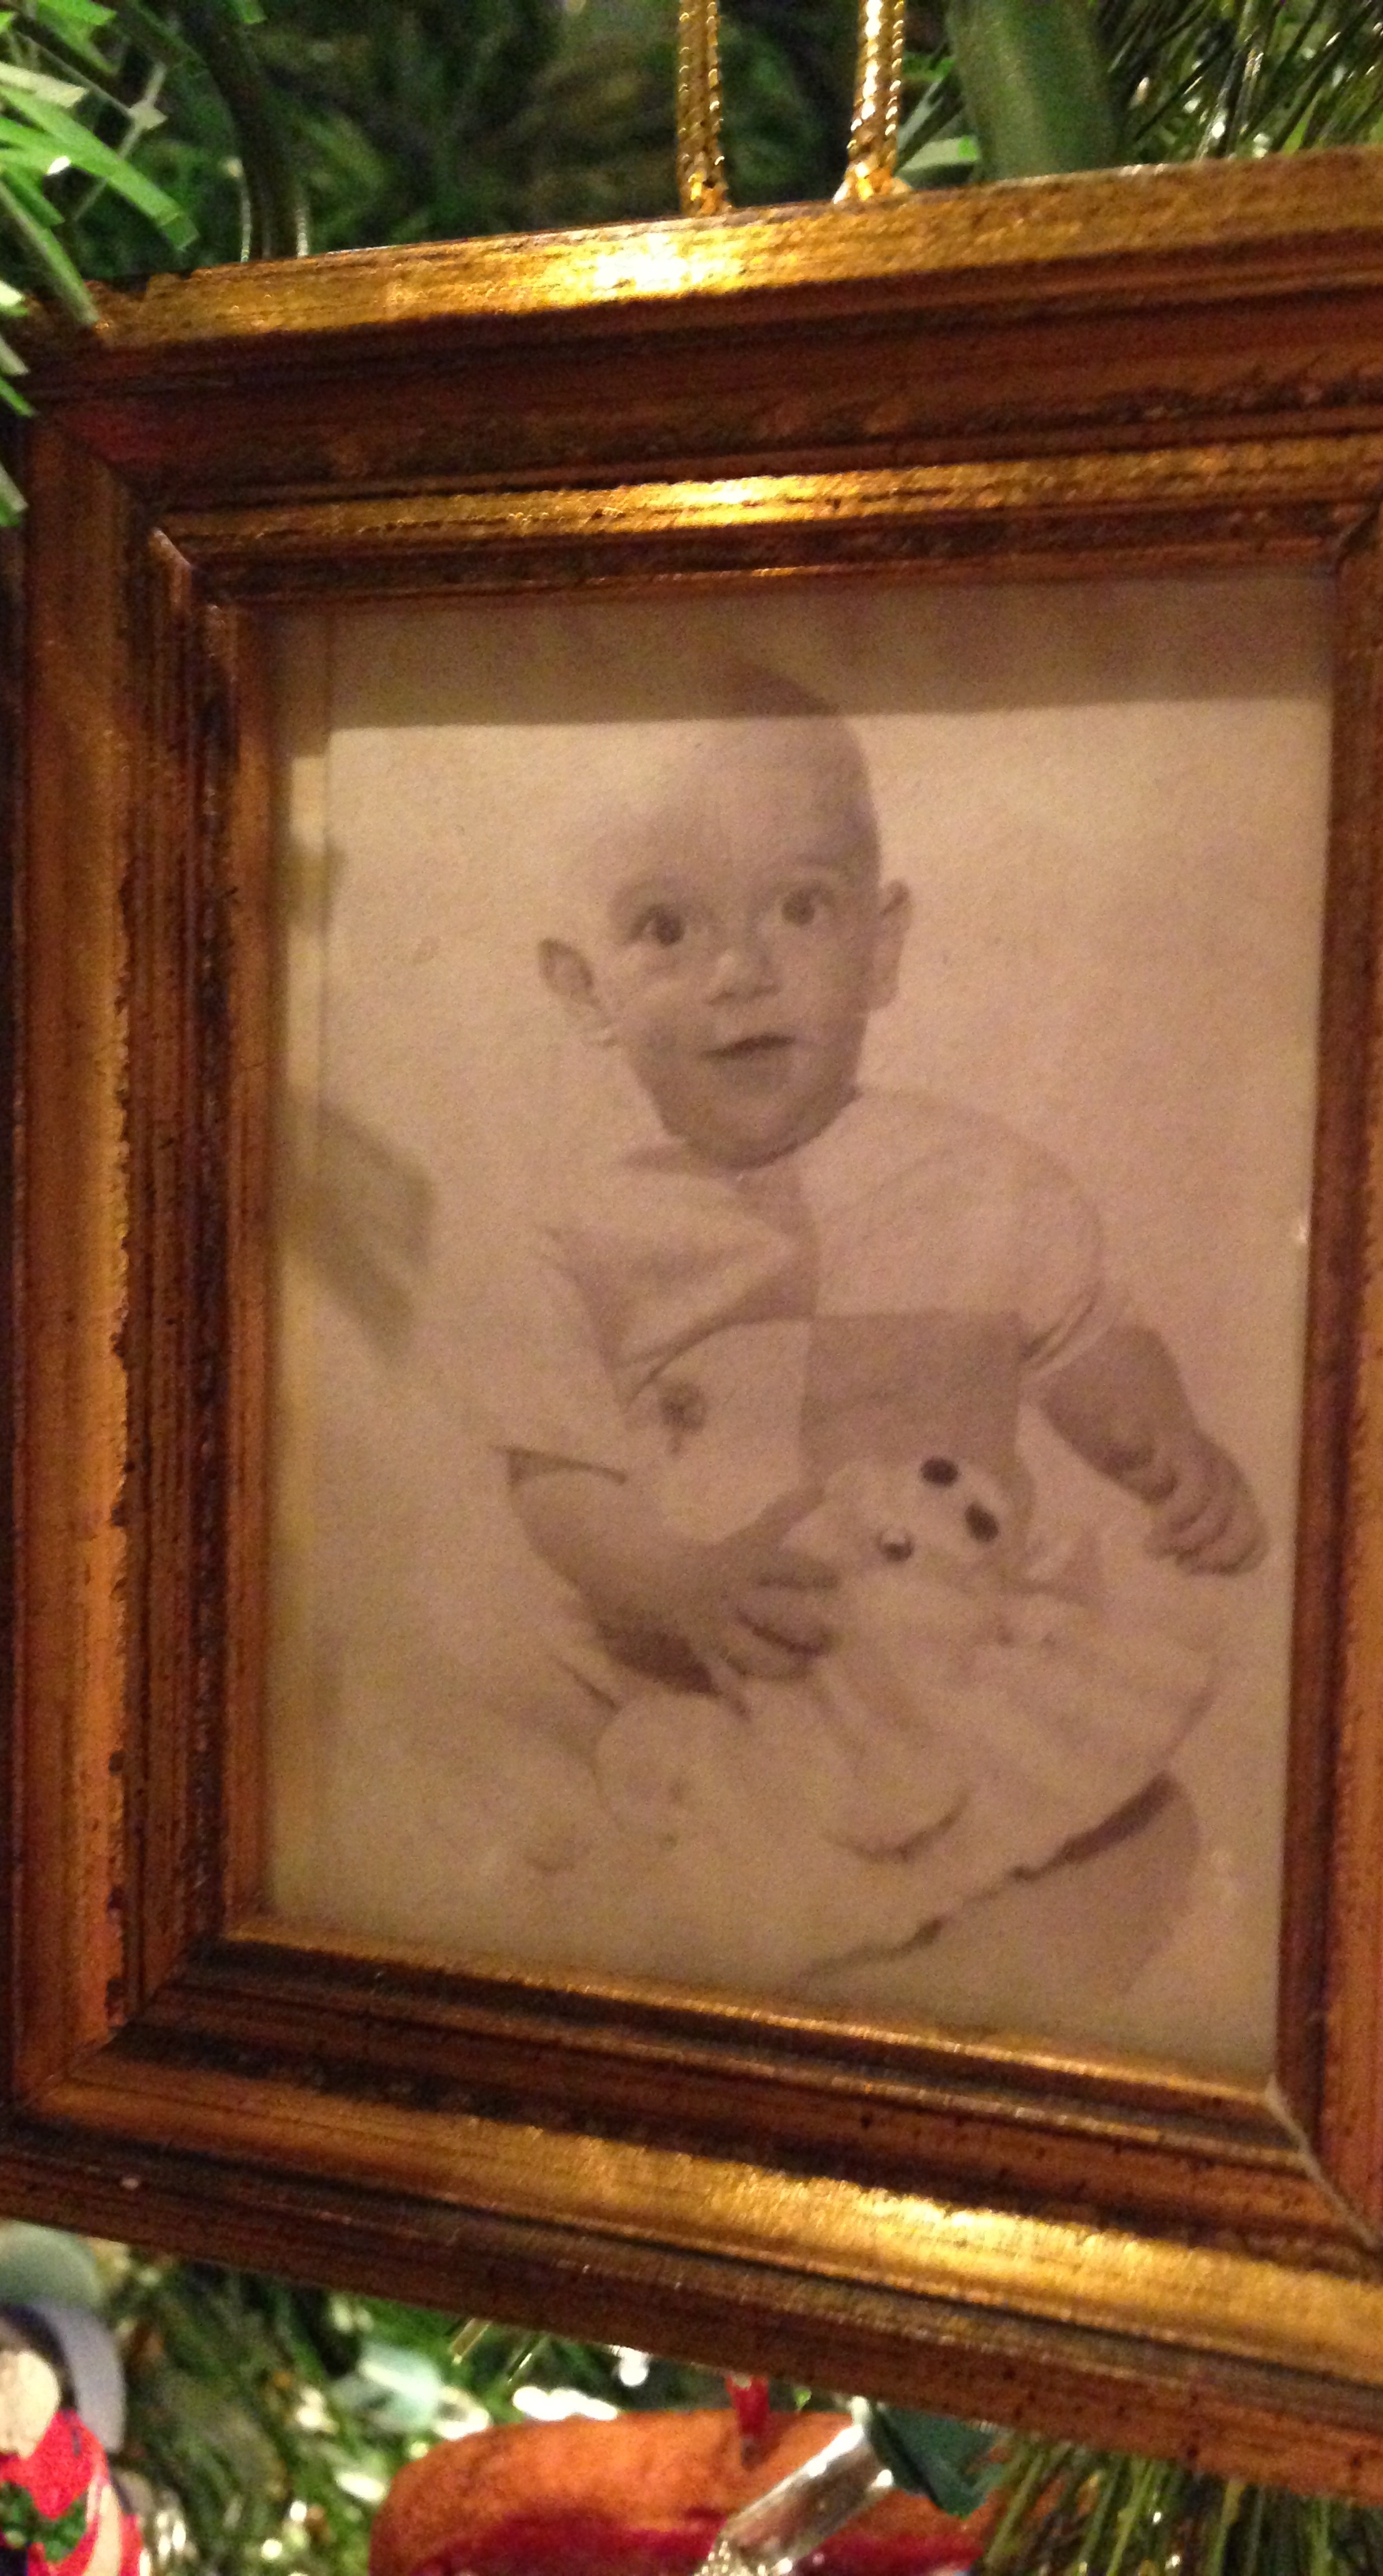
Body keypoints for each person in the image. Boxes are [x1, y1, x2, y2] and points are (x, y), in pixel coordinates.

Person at [462, 675, 1268, 2004]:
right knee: (689, 1896)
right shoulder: (583, 1236)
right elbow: (557, 1480)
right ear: (585, 987)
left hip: (956, 1661)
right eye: (667, 927)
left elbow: (1089, 1339)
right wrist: (676, 1582)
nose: (742, 971)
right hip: (726, 1692)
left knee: (1128, 1840)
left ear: (881, 947)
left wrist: (1163, 1437)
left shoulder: (990, 1182)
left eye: (800, 907)